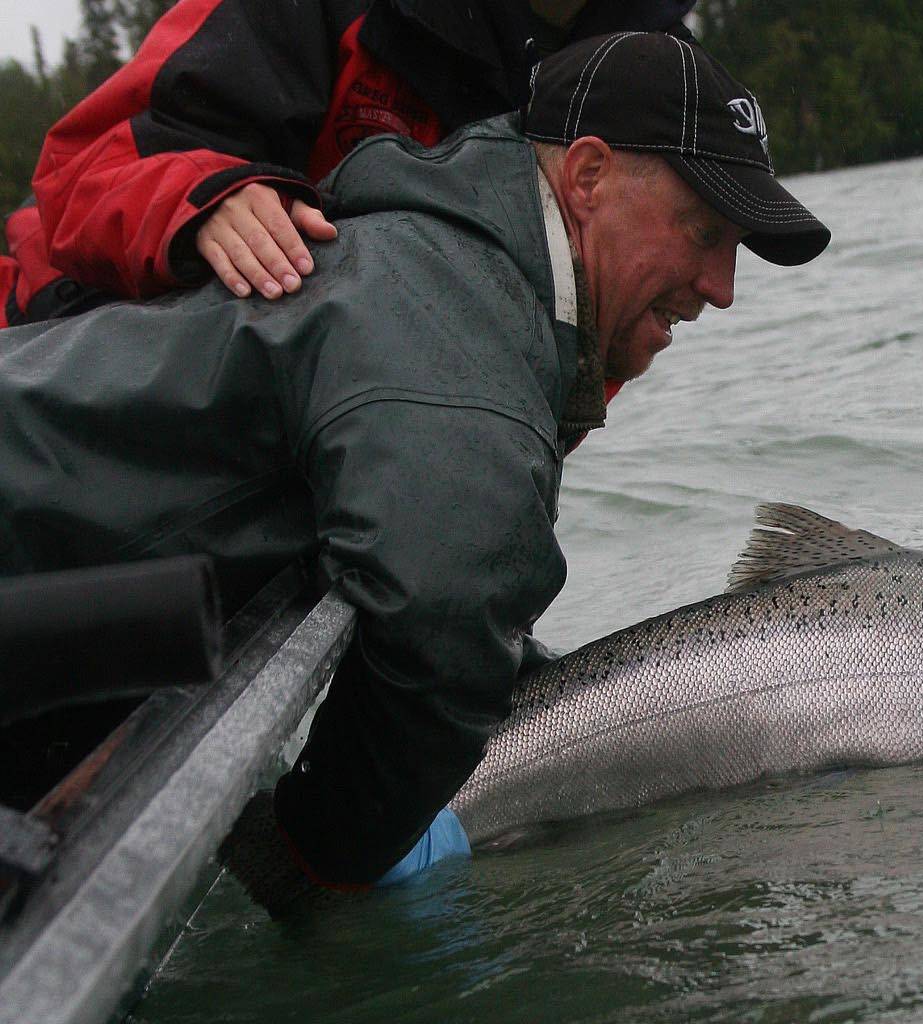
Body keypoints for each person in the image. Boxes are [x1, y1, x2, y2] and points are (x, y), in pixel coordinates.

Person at [0, 31, 829, 912]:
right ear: (586, 177)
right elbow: (448, 605)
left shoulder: (449, 264)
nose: (723, 286)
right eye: (704, 231)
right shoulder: (457, 315)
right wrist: (318, 869)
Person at [0, 0, 697, 327]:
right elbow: (81, 167)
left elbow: (604, 300)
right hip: (55, 336)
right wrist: (203, 199)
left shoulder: (652, 69)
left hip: (324, 418)